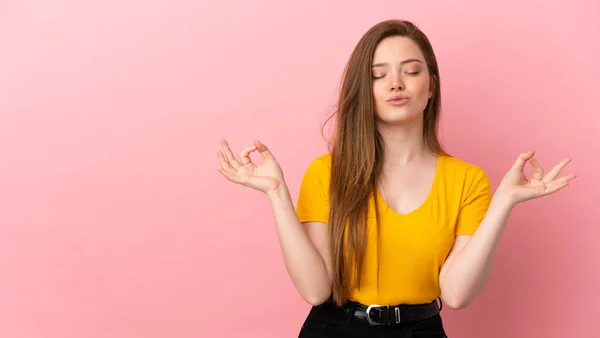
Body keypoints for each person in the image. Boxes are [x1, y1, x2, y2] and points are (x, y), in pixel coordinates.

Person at [216, 19, 576, 338]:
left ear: (431, 86)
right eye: (378, 74)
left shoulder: (468, 180)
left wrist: (504, 203)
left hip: (423, 329)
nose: (396, 83)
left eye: (412, 71)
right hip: (333, 329)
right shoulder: (327, 172)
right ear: (364, 89)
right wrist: (278, 194)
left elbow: (456, 294)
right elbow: (314, 290)